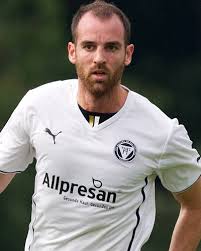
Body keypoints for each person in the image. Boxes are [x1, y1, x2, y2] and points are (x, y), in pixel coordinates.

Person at [0, 1, 201, 250]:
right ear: (72, 51)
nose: (99, 58)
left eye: (111, 47)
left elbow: (196, 205)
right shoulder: (38, 104)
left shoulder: (161, 131)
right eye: (89, 46)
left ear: (127, 54)